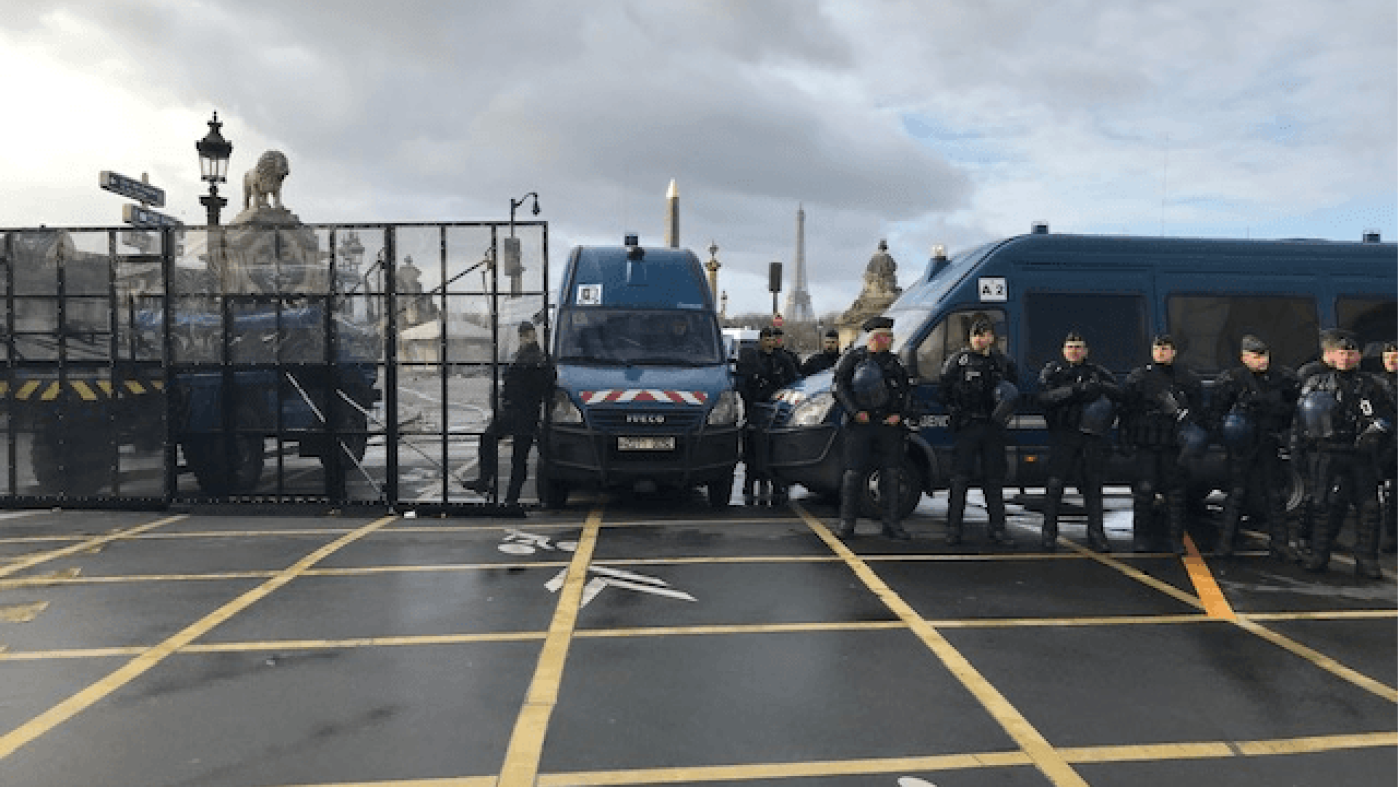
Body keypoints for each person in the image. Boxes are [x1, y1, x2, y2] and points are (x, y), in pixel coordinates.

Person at [1297, 330, 1396, 578]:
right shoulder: (1316, 383)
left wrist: (1377, 435)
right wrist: (1298, 453)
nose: (1346, 358)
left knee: (1369, 507)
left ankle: (1366, 559)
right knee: (1321, 505)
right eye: (1342, 353)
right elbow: (1299, 423)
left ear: (1359, 356)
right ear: (1333, 355)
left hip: (1361, 453)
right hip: (1326, 452)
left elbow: (1389, 417)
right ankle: (1319, 554)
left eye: (1351, 353)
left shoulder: (1374, 385)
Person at [1209, 335, 1300, 560]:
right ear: (1244, 357)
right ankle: (1225, 544)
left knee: (1274, 494)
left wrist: (1279, 417)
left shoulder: (1282, 379)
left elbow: (1294, 410)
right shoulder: (1232, 380)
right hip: (1242, 446)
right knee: (1236, 494)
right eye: (1256, 356)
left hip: (1269, 442)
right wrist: (1226, 438)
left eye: (1264, 355)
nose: (1261, 360)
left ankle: (1280, 544)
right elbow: (1215, 415)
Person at [1035, 331, 1122, 552]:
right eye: (1070, 347)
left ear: (1085, 351)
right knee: (1055, 485)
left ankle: (1096, 533)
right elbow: (1044, 398)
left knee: (1093, 486)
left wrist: (1099, 387)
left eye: (1078, 347)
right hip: (1063, 435)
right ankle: (1048, 533)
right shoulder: (1054, 373)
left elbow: (1120, 394)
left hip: (1090, 437)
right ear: (1064, 351)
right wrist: (1074, 391)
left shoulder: (1097, 372)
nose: (1074, 351)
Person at [937, 318, 1018, 547]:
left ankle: (998, 529)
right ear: (970, 338)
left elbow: (1012, 390)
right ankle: (953, 529)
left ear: (993, 338)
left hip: (993, 427)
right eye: (977, 335)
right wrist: (956, 413)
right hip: (968, 425)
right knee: (960, 479)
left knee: (994, 480)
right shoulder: (958, 361)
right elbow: (943, 392)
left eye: (986, 335)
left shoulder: (1002, 362)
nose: (981, 340)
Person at [1121, 334, 1203, 554]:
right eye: (1157, 349)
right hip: (1146, 443)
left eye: (1165, 349)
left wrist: (1181, 411)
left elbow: (1198, 413)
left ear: (1174, 352)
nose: (1161, 353)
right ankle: (1141, 537)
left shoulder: (1186, 378)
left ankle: (1175, 539)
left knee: (1175, 493)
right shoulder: (1139, 378)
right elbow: (1127, 411)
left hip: (1172, 443)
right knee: (1144, 491)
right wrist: (1125, 439)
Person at [832, 316, 912, 539]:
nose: (887, 340)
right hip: (860, 425)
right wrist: (855, 412)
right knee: (853, 474)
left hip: (887, 425)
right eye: (883, 336)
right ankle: (847, 524)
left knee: (892, 474)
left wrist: (899, 415)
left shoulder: (895, 363)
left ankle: (892, 523)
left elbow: (906, 392)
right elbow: (839, 386)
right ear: (873, 337)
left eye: (889, 336)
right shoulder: (854, 358)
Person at [464, 322, 555, 505]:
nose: (526, 338)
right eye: (524, 335)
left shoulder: (534, 358)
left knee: (515, 455)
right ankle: (501, 491)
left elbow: (537, 385)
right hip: (519, 411)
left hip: (522, 411)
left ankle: (498, 488)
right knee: (502, 447)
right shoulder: (526, 357)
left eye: (528, 335)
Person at [738, 326, 799, 505]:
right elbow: (744, 382)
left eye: (772, 339)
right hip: (756, 408)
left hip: (776, 409)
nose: (770, 342)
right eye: (766, 339)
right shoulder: (754, 359)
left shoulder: (784, 359)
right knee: (753, 449)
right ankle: (751, 481)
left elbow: (793, 381)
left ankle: (776, 482)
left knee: (774, 447)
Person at [1379, 342, 1398, 553]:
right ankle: (1392, 535)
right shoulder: (1377, 383)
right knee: (1391, 494)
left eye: (1395, 357)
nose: (1391, 361)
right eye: (1387, 357)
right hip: (1387, 446)